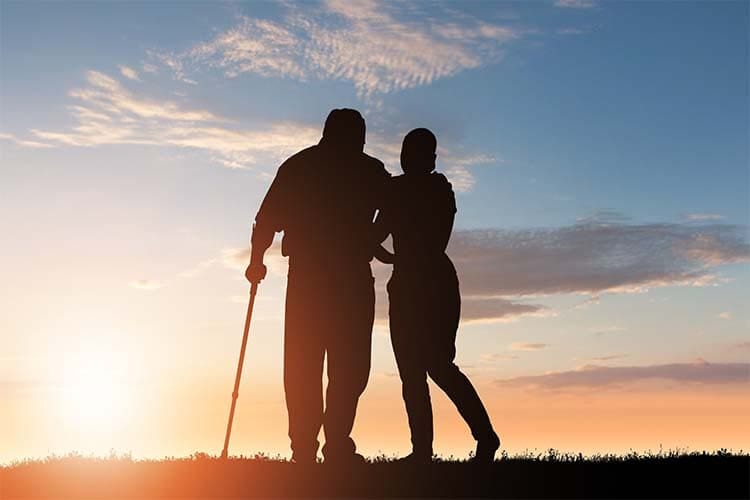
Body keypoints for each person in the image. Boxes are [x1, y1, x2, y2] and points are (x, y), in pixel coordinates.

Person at [245, 109, 389, 465]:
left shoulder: (304, 167)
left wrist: (257, 258)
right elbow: (266, 219)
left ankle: (322, 445)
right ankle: (317, 446)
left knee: (327, 365)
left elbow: (394, 208)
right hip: (329, 280)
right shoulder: (356, 169)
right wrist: (255, 258)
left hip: (324, 280)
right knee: (326, 365)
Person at [373, 128, 500, 463]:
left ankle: (485, 437)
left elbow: (394, 238)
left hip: (430, 285)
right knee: (414, 373)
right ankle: (423, 452)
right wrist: (390, 256)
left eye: (413, 152)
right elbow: (376, 236)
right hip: (412, 285)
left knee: (437, 367)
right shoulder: (410, 190)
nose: (406, 158)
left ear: (428, 158)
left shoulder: (433, 190)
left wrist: (391, 256)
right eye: (405, 151)